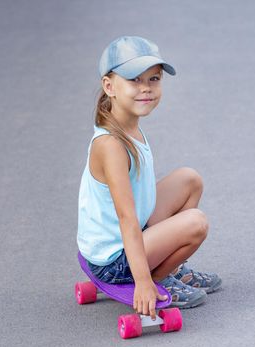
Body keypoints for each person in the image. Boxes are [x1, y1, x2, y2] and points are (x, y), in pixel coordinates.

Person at [77, 36, 221, 320]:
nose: (146, 88)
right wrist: (143, 283)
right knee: (196, 222)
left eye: (154, 79)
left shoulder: (127, 126)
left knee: (189, 179)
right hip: (112, 261)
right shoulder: (111, 145)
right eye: (134, 80)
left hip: (126, 239)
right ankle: (159, 276)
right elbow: (126, 217)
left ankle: (171, 268)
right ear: (110, 86)